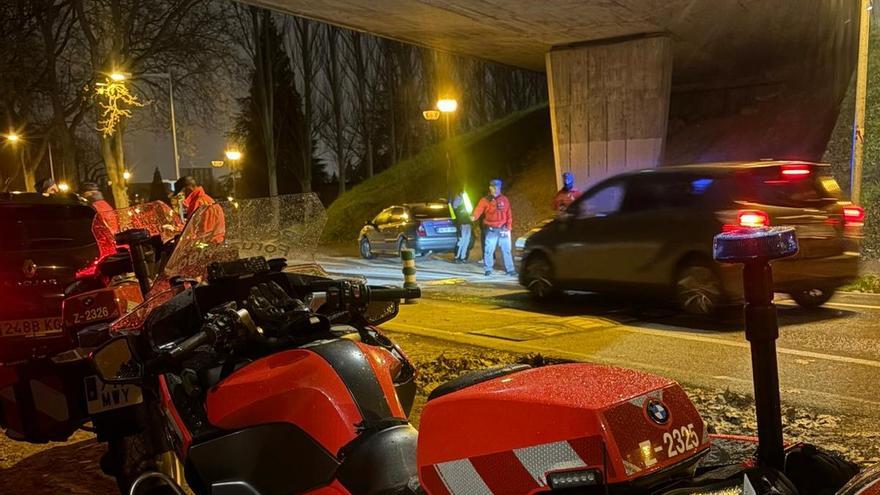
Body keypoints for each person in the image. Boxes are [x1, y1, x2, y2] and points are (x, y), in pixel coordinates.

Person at [472, 179, 515, 277]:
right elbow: (478, 210)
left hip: (504, 229)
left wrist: (509, 226)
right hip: (491, 229)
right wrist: (474, 216)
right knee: (489, 250)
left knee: (506, 250)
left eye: (498, 187)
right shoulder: (485, 200)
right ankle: (488, 269)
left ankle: (510, 270)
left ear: (500, 188)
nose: (496, 189)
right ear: (490, 188)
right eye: (494, 187)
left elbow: (509, 214)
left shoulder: (504, 199)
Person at [174, 176, 225, 241]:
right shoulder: (209, 200)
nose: (181, 197)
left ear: (188, 189)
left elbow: (192, 230)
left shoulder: (197, 203)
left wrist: (177, 231)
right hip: (216, 243)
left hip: (204, 245)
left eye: (181, 194)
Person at [450, 191, 473, 263]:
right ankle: (457, 257)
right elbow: (455, 207)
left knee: (466, 241)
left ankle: (463, 257)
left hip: (468, 224)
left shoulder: (467, 200)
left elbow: (470, 210)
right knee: (461, 241)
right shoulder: (458, 200)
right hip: (461, 224)